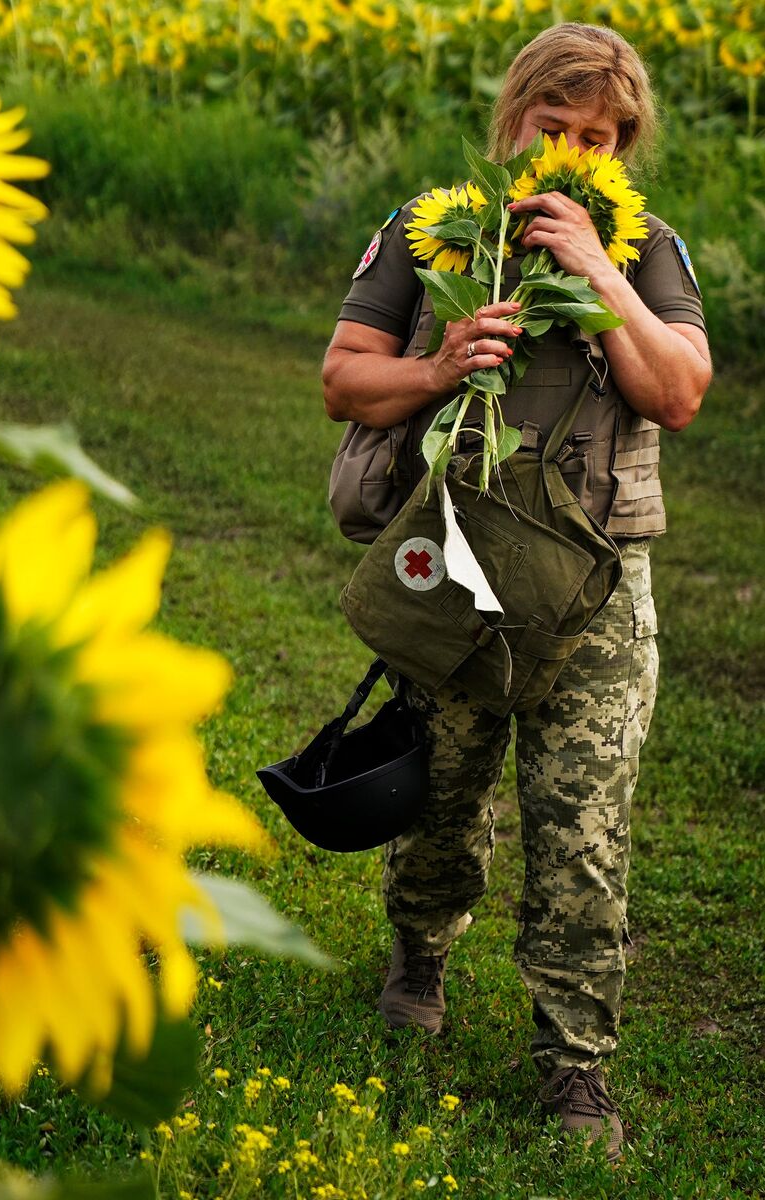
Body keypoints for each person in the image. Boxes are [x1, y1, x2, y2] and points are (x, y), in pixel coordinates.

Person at [321, 22, 711, 1161]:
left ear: (622, 148)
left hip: (594, 585)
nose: (576, 155)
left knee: (583, 825)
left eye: (600, 139)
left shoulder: (645, 248)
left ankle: (576, 1068)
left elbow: (678, 393)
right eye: (554, 130)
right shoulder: (430, 229)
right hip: (456, 563)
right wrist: (440, 366)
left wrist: (599, 269)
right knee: (440, 793)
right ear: (513, 123)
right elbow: (343, 379)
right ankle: (419, 959)